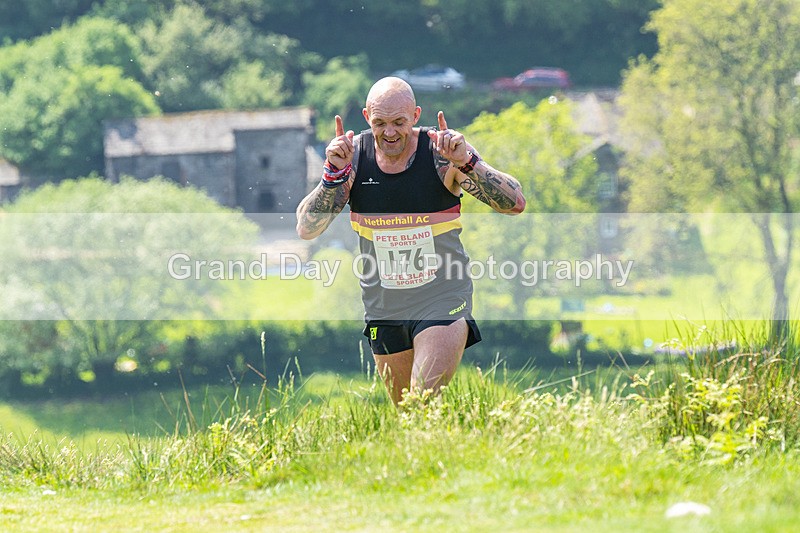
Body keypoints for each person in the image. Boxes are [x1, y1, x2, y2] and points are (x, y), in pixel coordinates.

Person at [296, 77, 525, 405]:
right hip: (384, 306)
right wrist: (333, 175)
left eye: (399, 122)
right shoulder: (354, 158)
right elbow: (306, 229)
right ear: (366, 117)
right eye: (380, 123)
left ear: (416, 115)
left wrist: (467, 162)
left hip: (442, 296)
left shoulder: (442, 153)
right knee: (408, 414)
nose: (389, 132)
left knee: (422, 401)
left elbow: (515, 204)